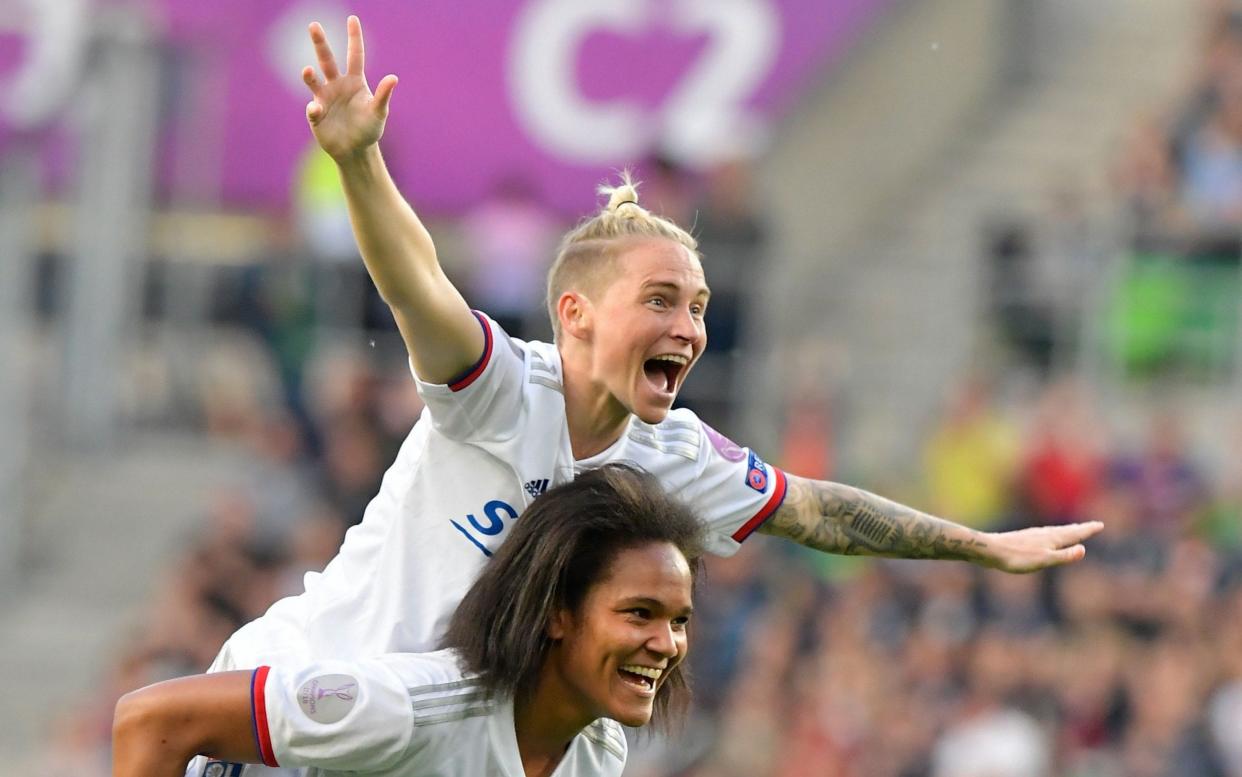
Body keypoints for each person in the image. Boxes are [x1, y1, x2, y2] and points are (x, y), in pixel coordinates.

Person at [188, 15, 1103, 775]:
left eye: (699, 306)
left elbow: (819, 511)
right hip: (290, 714)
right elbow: (418, 283)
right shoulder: (504, 390)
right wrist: (357, 163)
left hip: (418, 754)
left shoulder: (676, 457)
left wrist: (979, 545)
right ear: (575, 315)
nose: (690, 328)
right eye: (661, 299)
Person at [116, 465, 703, 777]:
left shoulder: (599, 752)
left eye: (678, 620)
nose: (665, 643)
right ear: (557, 613)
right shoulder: (410, 710)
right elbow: (152, 720)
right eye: (639, 614)